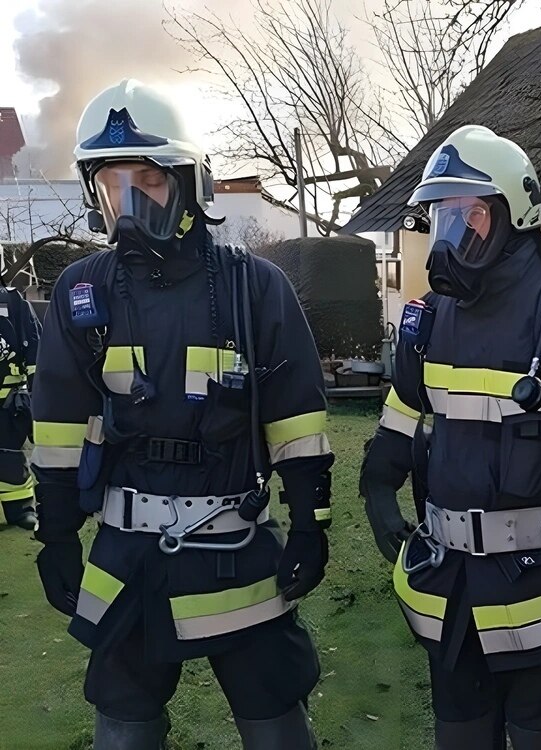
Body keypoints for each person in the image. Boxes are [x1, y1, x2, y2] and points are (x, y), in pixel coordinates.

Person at [31, 79, 332, 748]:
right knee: (123, 721)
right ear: (93, 194)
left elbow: (297, 420)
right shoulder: (83, 293)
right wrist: (54, 536)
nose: (130, 205)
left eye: (148, 181)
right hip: (127, 557)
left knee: (275, 714)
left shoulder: (256, 287)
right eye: (114, 186)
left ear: (191, 181)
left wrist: (310, 524)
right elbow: (55, 427)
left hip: (237, 546)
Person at [359, 124, 541, 750]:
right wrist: (378, 488)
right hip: (450, 600)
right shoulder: (429, 322)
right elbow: (401, 416)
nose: (448, 239)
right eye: (440, 217)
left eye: (468, 217)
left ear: (516, 217)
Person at [0, 276, 39, 531]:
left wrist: (39, 392)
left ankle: (20, 508)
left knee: (11, 455)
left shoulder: (14, 300)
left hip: (8, 398)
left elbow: (35, 347)